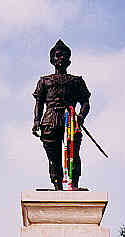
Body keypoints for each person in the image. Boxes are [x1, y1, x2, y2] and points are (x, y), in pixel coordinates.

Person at [32, 39, 91, 190]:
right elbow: (38, 103)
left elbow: (85, 102)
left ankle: (74, 185)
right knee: (54, 157)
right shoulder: (44, 81)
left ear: (69, 60)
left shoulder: (76, 81)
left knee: (73, 153)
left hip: (70, 121)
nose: (61, 58)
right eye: (58, 55)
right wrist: (36, 121)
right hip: (50, 120)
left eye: (64, 55)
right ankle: (58, 186)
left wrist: (81, 116)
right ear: (52, 60)